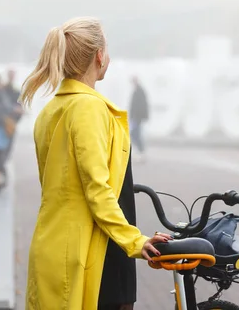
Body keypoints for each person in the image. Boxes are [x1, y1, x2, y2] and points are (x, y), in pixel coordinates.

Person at [19, 17, 171, 310]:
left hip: (52, 245)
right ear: (99, 56)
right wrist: (136, 240)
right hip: (91, 251)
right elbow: (96, 189)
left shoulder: (50, 111)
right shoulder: (88, 107)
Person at [3, 69, 23, 160]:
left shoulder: (16, 91)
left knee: (9, 142)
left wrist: (17, 118)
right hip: (4, 119)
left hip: (12, 120)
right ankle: (2, 161)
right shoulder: (3, 89)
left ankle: (4, 160)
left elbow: (20, 106)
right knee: (4, 141)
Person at [129, 76, 149, 161]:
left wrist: (137, 116)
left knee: (135, 134)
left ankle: (141, 152)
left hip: (137, 117)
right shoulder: (137, 91)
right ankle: (140, 152)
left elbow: (141, 106)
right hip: (136, 117)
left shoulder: (139, 91)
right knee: (135, 134)